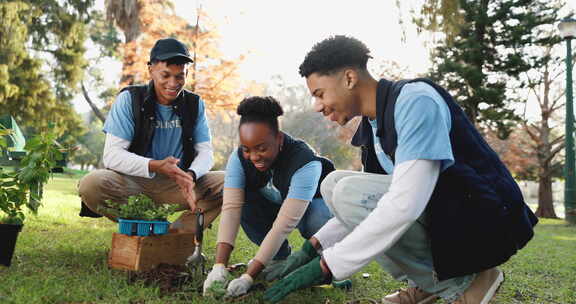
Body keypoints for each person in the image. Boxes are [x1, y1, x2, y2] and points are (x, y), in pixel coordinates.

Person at [264, 35, 538, 304]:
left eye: (319, 94)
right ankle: (428, 281)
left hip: (488, 222)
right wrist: (312, 248)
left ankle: (466, 283)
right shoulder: (373, 128)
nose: (317, 106)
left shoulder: (416, 101)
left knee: (346, 190)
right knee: (334, 186)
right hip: (447, 218)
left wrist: (327, 266)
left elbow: (404, 203)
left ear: (349, 78)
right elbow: (369, 204)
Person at [78, 38, 224, 233]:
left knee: (231, 182)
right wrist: (156, 165)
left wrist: (190, 175)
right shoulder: (130, 99)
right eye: (166, 75)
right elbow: (112, 156)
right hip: (134, 184)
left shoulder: (195, 104)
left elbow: (205, 153)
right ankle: (145, 226)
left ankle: (177, 234)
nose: (173, 83)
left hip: (179, 185)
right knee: (91, 184)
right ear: (151, 70)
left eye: (180, 76)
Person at [202, 96, 335, 298]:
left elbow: (284, 224)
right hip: (274, 203)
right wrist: (219, 265)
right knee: (243, 200)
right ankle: (279, 257)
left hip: (311, 207)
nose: (254, 156)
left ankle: (323, 260)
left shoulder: (305, 162)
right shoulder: (239, 159)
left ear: (279, 139)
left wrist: (248, 276)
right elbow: (230, 209)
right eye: (247, 149)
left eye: (262, 148)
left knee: (317, 217)